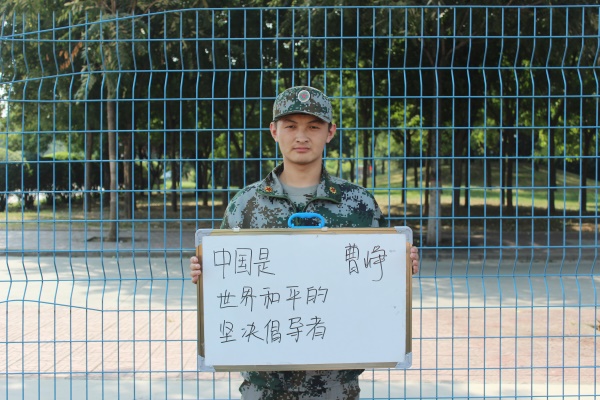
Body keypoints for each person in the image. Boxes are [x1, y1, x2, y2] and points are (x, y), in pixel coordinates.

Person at [190, 85, 420, 400]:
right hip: (263, 385)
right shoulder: (245, 204)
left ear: (330, 132)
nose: (301, 136)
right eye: (290, 126)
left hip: (335, 384)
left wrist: (401, 265)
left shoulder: (359, 203)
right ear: (274, 131)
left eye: (313, 127)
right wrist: (204, 271)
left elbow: (378, 282)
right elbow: (226, 281)